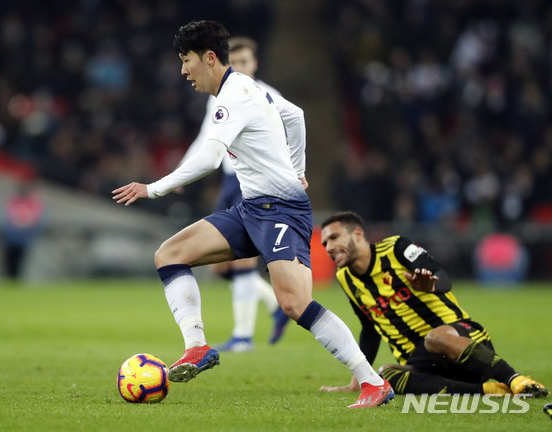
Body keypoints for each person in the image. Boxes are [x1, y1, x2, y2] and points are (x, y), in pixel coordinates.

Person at [113, 20, 394, 408]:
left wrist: (152, 187)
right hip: (252, 208)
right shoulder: (244, 89)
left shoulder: (234, 96)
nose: (182, 70)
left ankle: (373, 382)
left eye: (186, 60)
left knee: (295, 304)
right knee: (169, 254)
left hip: (282, 210)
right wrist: (298, 167)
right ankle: (197, 348)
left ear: (209, 58)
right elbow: (294, 115)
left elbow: (211, 158)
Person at [319, 210, 548, 398]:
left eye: (334, 238)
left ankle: (514, 379)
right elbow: (370, 330)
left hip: (462, 341)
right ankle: (487, 390)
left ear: (357, 234)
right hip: (423, 363)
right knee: (385, 376)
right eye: (325, 242)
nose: (328, 247)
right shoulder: (345, 278)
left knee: (435, 338)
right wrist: (358, 379)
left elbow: (443, 277)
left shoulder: (396, 248)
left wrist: (429, 286)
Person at [178, 36, 289, 353]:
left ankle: (243, 336)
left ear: (254, 64)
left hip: (253, 183)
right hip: (229, 183)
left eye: (244, 62)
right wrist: (181, 172)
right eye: (234, 62)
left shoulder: (268, 96)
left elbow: (288, 138)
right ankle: (275, 304)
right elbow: (205, 136)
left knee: (242, 262)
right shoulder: (220, 95)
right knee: (218, 265)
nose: (239, 68)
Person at [0, 179, 47, 279]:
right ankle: (10, 281)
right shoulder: (14, 201)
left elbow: (37, 219)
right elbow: (6, 217)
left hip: (23, 238)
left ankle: (15, 280)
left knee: (19, 262)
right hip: (11, 237)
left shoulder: (31, 203)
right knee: (9, 261)